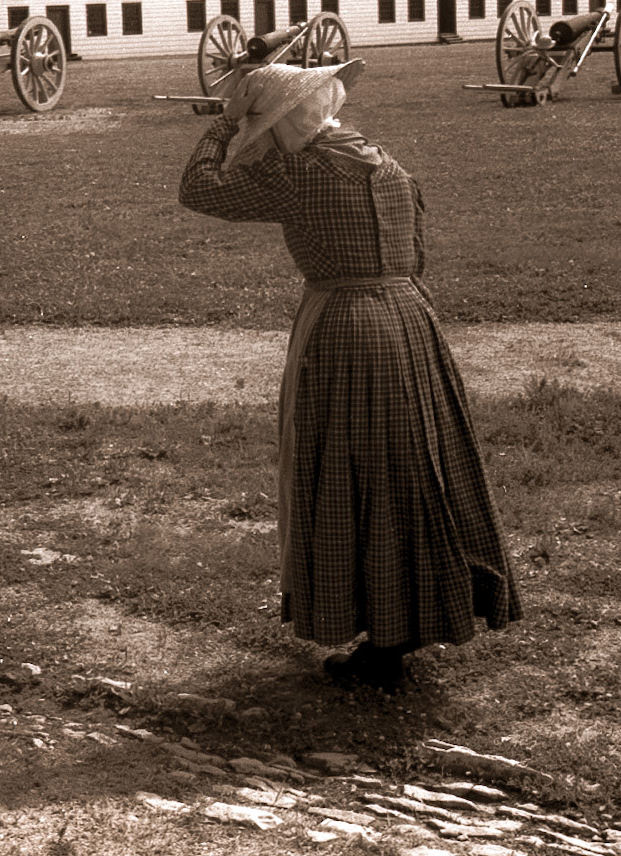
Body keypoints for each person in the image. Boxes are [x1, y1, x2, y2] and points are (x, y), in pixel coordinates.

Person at [178, 61, 522, 693]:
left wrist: (222, 128)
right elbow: (416, 253)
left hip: (346, 328)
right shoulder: (386, 165)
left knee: (356, 473)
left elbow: (199, 189)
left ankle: (385, 638)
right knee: (414, 469)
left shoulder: (301, 173)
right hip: (411, 319)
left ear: (284, 126)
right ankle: (412, 615)